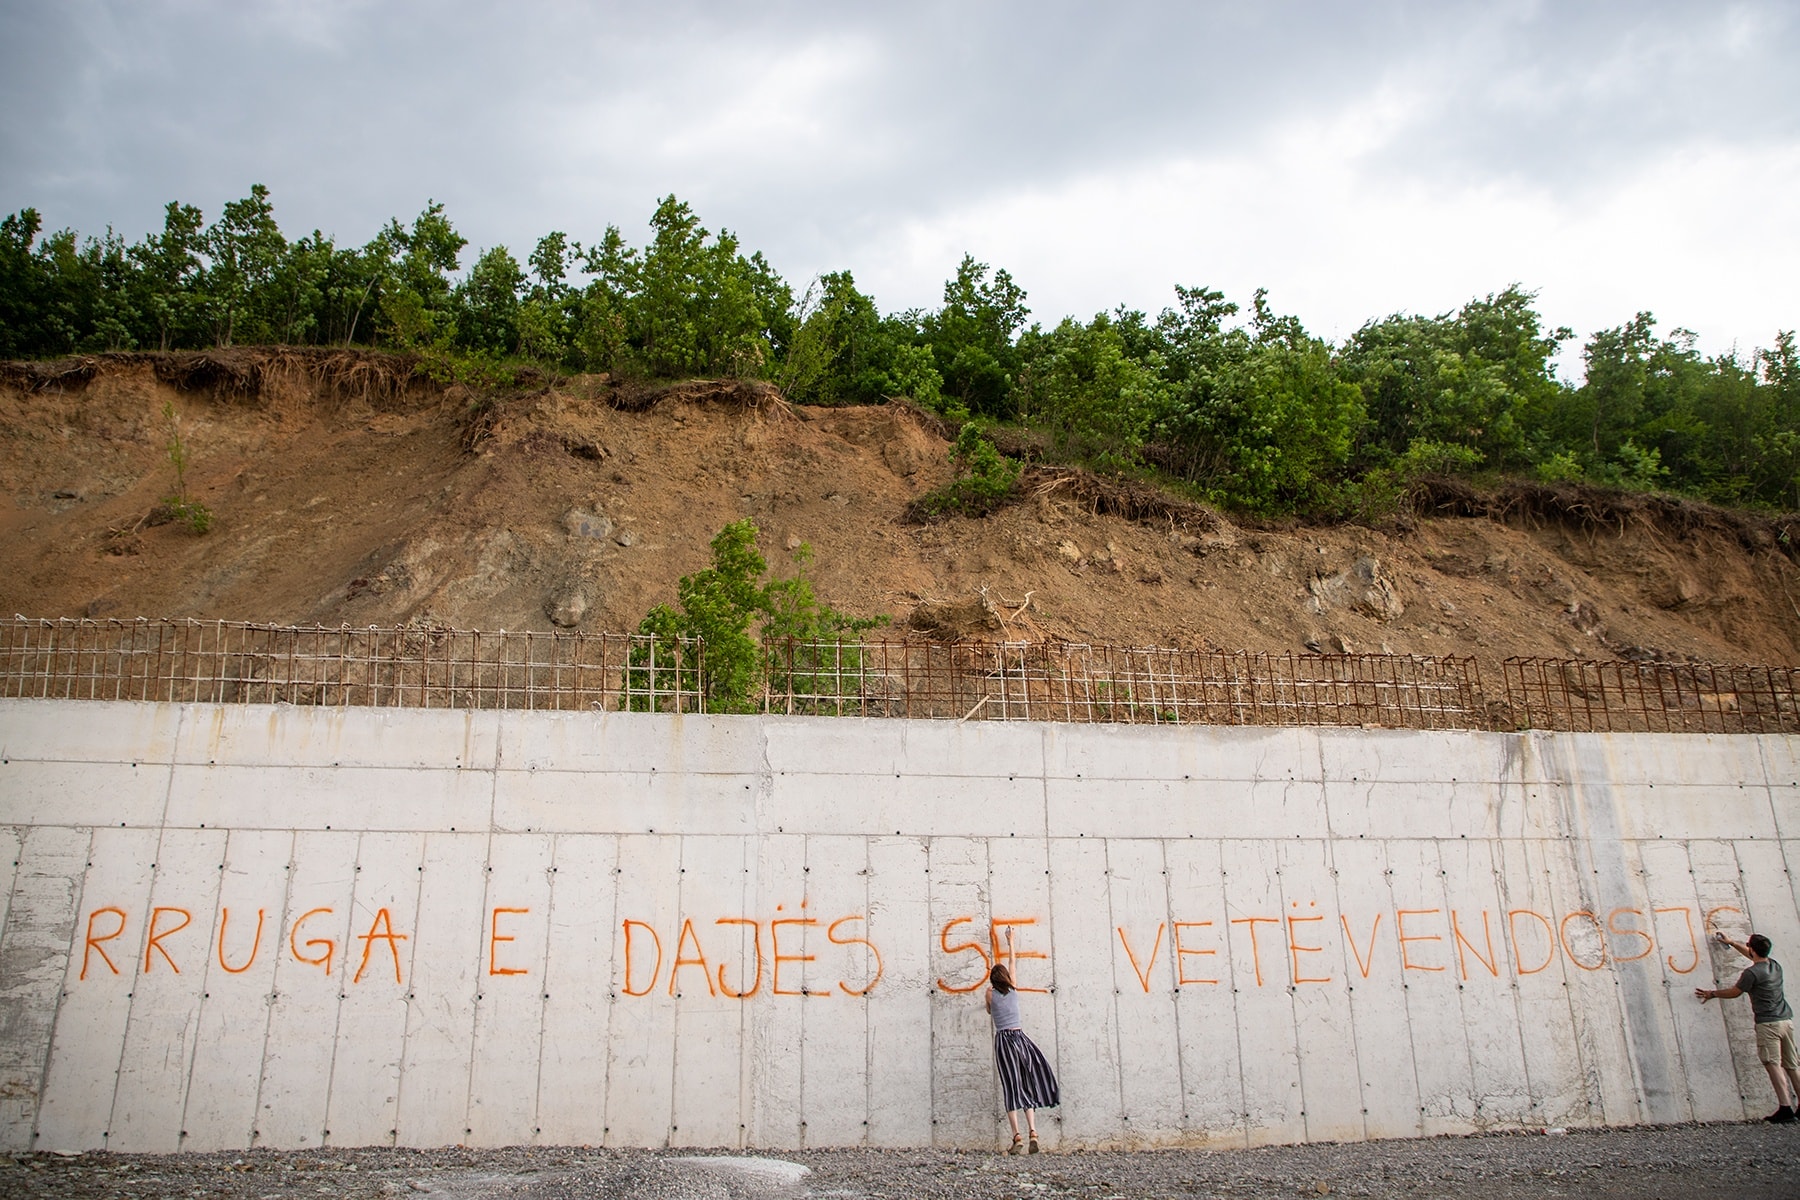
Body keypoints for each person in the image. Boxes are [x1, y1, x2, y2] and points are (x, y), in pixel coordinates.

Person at [1698, 930, 1800, 1123]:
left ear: (1752, 949)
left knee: (1773, 1064)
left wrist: (1712, 994)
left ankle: (1785, 1108)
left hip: (1768, 1024)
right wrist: (1733, 943)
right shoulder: (1775, 966)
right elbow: (1753, 956)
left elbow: (1735, 992)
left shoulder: (1751, 973)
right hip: (1786, 1020)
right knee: (1792, 1064)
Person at [985, 936, 1060, 1154]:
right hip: (1020, 1039)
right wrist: (1010, 942)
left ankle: (1017, 1136)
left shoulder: (990, 993)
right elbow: (1012, 962)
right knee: (1027, 1084)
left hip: (1004, 1042)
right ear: (1006, 978)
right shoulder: (1014, 989)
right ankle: (1033, 1132)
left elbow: (989, 1011)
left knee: (1011, 1087)